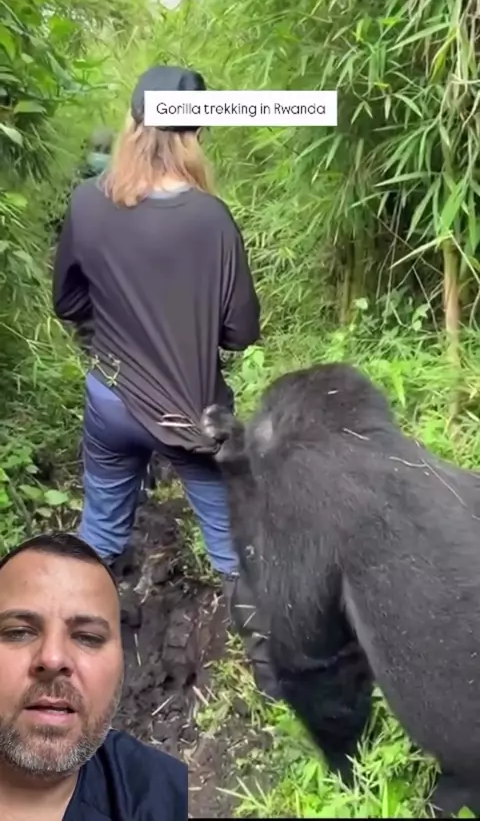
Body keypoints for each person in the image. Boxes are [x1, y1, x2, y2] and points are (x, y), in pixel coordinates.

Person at [51, 64, 279, 699]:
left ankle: (69, 655)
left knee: (101, 530)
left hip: (111, 398)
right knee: (233, 545)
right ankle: (274, 677)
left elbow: (68, 303)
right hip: (189, 414)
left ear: (133, 124)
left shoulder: (87, 203)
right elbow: (240, 332)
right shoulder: (212, 220)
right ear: (194, 134)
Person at [0, 531, 187, 820]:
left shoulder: (165, 794)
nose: (53, 659)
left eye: (88, 637)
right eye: (18, 632)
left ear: (123, 665)